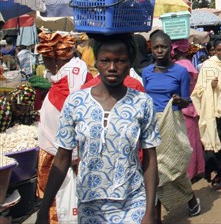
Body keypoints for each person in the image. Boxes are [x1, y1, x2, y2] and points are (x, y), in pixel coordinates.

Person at [36, 34, 161, 224]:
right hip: (90, 203)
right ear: (96, 62)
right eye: (105, 61)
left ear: (129, 64)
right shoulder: (76, 103)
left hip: (133, 201)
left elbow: (151, 160)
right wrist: (44, 209)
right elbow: (62, 158)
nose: (112, 68)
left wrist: (149, 212)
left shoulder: (142, 103)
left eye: (120, 61)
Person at [142, 31, 201, 219]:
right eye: (156, 47)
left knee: (174, 166)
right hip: (152, 124)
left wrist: (179, 101)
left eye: (164, 47)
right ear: (151, 48)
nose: (160, 50)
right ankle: (156, 216)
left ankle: (191, 198)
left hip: (173, 122)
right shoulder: (146, 72)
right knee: (156, 168)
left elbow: (187, 101)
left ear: (170, 49)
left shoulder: (180, 72)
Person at [36, 32, 92, 224]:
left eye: (46, 58)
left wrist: (75, 156)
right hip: (54, 152)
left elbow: (74, 122)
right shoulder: (63, 77)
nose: (44, 63)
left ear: (56, 58)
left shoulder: (72, 82)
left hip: (63, 159)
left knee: (62, 207)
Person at [191, 34, 221, 194]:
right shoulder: (207, 66)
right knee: (214, 148)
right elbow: (198, 91)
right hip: (213, 114)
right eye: (218, 50)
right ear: (213, 51)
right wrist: (210, 86)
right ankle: (218, 173)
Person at [172, 38, 205, 183]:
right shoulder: (188, 65)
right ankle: (197, 169)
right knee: (193, 140)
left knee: (186, 143)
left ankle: (190, 172)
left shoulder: (179, 67)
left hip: (183, 106)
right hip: (191, 106)